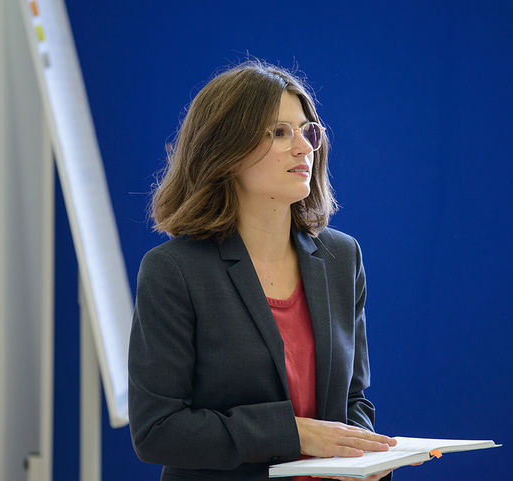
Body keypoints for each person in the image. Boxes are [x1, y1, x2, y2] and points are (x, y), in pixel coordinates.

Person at [128, 60, 396, 481]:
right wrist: (295, 434)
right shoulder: (174, 271)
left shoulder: (342, 258)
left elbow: (354, 401)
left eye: (308, 130)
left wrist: (362, 453)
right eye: (278, 132)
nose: (304, 146)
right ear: (225, 151)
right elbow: (158, 430)